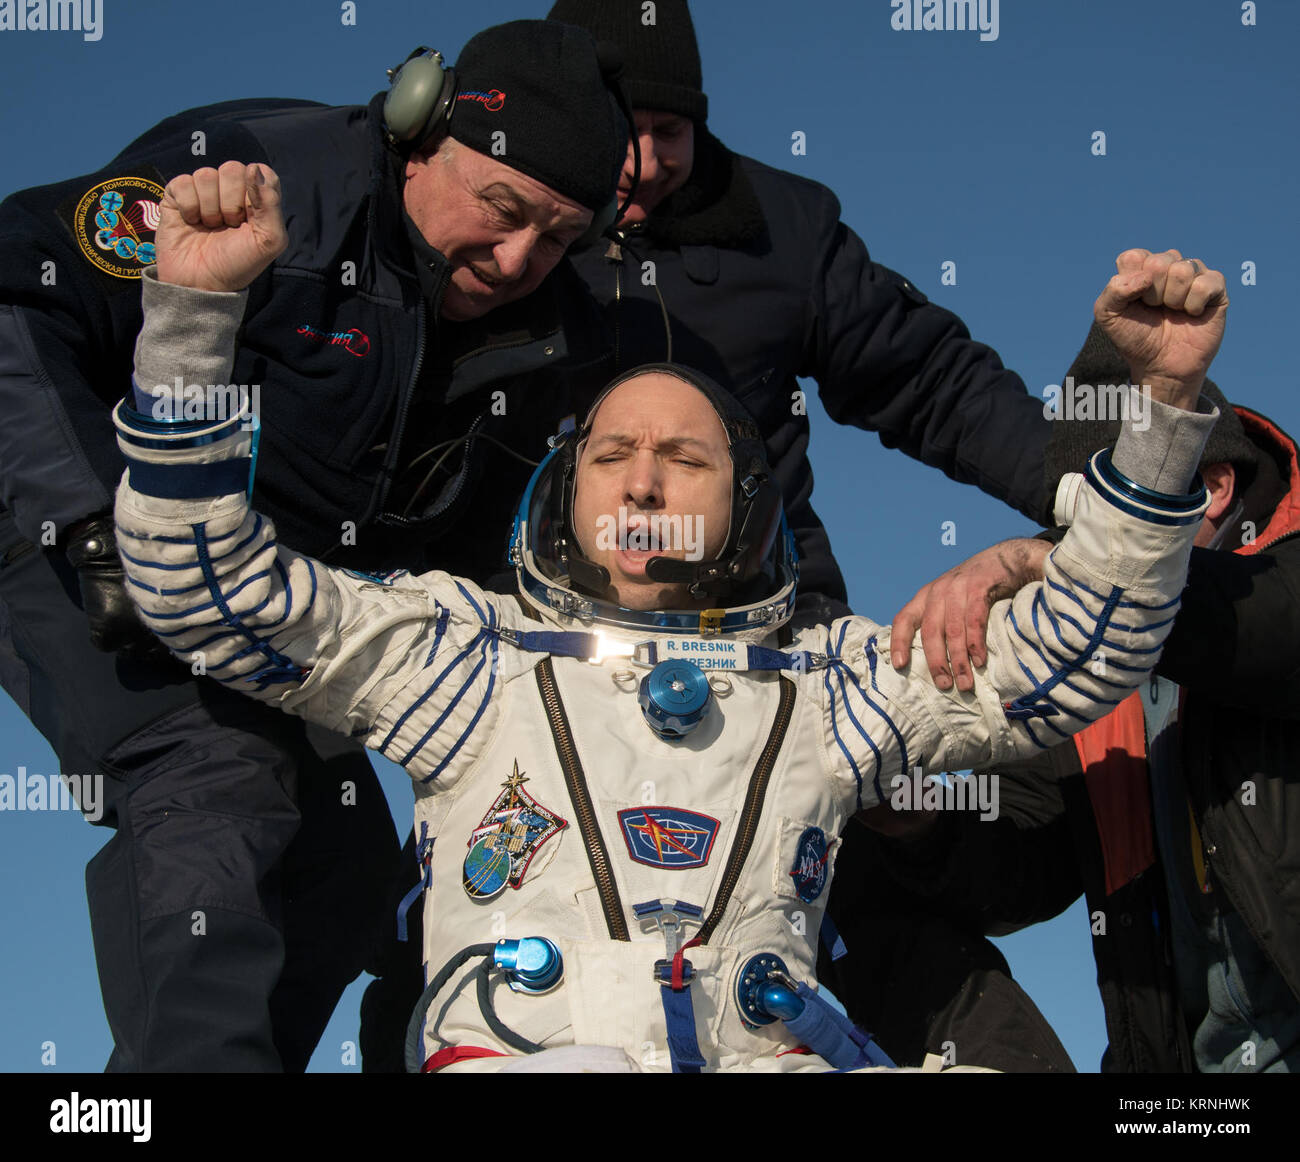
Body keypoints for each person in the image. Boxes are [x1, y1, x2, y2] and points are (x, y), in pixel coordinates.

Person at [111, 157, 1225, 1069]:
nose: (643, 482)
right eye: (614, 455)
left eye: (683, 457)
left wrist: (1161, 411)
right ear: (568, 488)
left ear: (746, 507)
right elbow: (205, 586)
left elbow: (1081, 654)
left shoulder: (824, 685)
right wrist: (194, 316)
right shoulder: (462, 656)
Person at [0, 19, 626, 1070]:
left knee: (343, 880)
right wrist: (95, 518)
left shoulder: (547, 336)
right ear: (419, 127)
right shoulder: (254, 185)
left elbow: (480, 553)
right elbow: (15, 300)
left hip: (264, 601)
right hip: (61, 533)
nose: (518, 258)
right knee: (218, 781)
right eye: (503, 209)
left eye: (557, 236)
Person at [837, 326, 1300, 1071]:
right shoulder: (1099, 687)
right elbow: (1027, 858)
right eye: (1079, 519)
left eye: (1108, 513)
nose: (1080, 549)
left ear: (1213, 487)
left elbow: (1270, 630)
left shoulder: (1277, 588)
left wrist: (1057, 564)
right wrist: (915, 818)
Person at [545, 0, 1057, 616]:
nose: (645, 163)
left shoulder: (784, 228)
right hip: (535, 614)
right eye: (621, 128)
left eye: (671, 131)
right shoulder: (505, 226)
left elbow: (928, 378)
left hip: (765, 620)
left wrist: (1092, 491)